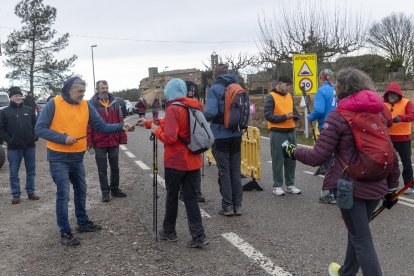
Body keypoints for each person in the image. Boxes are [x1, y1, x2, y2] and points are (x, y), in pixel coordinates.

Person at [284, 68, 400, 275]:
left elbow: (317, 157)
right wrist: (391, 188)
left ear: (342, 88)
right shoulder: (379, 113)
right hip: (377, 184)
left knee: (362, 239)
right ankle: (346, 272)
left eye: (337, 85)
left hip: (350, 186)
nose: (335, 88)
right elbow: (390, 152)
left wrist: (292, 151)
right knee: (356, 232)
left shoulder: (338, 117)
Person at [35, 77, 134, 247]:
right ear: (68, 90)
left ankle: (82, 223)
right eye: (79, 91)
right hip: (58, 158)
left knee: (81, 191)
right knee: (63, 195)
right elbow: (39, 129)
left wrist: (121, 126)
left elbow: (101, 127)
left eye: (83, 91)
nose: (82, 95)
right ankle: (65, 232)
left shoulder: (86, 105)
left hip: (77, 156)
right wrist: (62, 138)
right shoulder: (54, 103)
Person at [150, 78, 208, 248]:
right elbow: (181, 126)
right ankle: (198, 235)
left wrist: (156, 130)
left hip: (175, 161)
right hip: (193, 160)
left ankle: (169, 231)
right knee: (190, 198)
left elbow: (170, 137)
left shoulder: (173, 108)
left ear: (169, 92)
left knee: (172, 196)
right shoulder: (193, 105)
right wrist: (150, 124)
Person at [204, 63, 243, 216]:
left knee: (224, 171)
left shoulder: (215, 89)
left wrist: (200, 113)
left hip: (220, 135)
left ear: (215, 75)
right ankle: (238, 205)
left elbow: (211, 113)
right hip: (236, 134)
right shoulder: (236, 86)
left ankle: (227, 206)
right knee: (235, 171)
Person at [87, 80, 128, 202]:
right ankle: (105, 192)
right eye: (102, 88)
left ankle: (115, 189)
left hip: (114, 140)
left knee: (115, 167)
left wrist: (122, 138)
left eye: (106, 87)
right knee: (102, 169)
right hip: (99, 142)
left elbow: (121, 121)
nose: (105, 90)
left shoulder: (115, 103)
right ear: (97, 89)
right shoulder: (91, 104)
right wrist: (89, 143)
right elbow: (88, 125)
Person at [0, 86, 39, 204]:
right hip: (14, 148)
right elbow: (1, 130)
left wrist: (35, 136)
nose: (18, 97)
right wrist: (9, 140)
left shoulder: (29, 109)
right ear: (11, 97)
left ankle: (30, 192)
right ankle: (16, 194)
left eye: (19, 95)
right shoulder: (4, 112)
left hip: (29, 146)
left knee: (31, 171)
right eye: (15, 95)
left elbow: (36, 126)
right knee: (13, 172)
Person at [264, 75, 302, 196]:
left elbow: (293, 111)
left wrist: (296, 115)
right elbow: (268, 116)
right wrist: (285, 117)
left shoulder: (289, 96)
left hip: (290, 132)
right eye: (287, 85)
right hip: (278, 133)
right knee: (278, 160)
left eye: (289, 86)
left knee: (291, 160)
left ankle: (290, 185)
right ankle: (277, 186)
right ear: (280, 83)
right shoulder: (271, 97)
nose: (288, 88)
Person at [308, 69, 338, 204]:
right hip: (339, 128)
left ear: (322, 78)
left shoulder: (321, 91)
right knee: (338, 161)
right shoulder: (336, 91)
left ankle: (332, 194)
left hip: (327, 129)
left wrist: (310, 117)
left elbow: (319, 110)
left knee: (327, 161)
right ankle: (340, 191)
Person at [383, 82, 414, 195]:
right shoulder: (383, 104)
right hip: (387, 137)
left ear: (398, 94)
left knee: (406, 163)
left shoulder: (407, 103)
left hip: (403, 138)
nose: (391, 96)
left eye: (394, 94)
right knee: (386, 163)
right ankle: (386, 185)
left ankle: (409, 186)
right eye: (389, 94)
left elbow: (412, 115)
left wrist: (401, 118)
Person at [178, 80, 206, 203]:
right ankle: (187, 192)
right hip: (188, 137)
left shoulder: (180, 102)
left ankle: (194, 192)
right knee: (188, 167)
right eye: (189, 89)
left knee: (194, 167)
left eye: (192, 89)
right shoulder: (185, 102)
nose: (191, 91)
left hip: (193, 136)